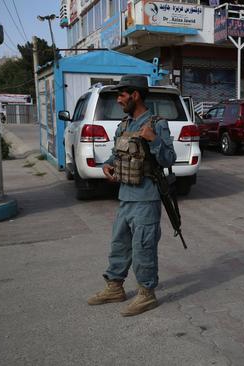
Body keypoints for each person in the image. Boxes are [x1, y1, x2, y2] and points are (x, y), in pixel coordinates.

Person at [87, 75, 176, 317]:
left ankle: (147, 294)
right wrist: (108, 164)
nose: (118, 100)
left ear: (135, 95)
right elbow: (116, 154)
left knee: (143, 247)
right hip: (125, 196)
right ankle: (114, 287)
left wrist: (153, 139)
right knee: (119, 243)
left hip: (146, 198)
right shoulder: (123, 126)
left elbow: (169, 158)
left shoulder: (157, 124)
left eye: (121, 95)